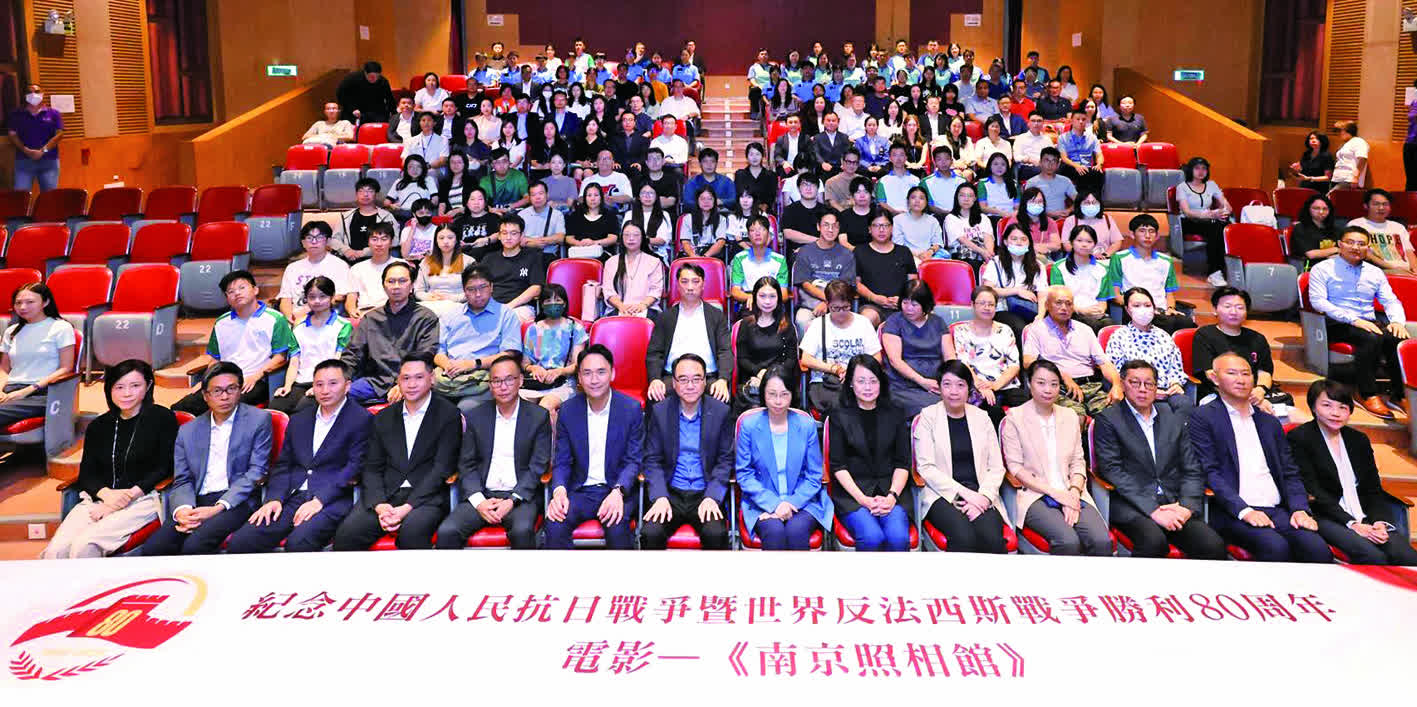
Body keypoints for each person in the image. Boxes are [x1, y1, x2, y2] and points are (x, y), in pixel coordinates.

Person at [1191, 352, 1331, 563]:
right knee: (1275, 547)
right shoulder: (1203, 417)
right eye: (1232, 373)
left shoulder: (1269, 422)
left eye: (1246, 374)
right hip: (1234, 511)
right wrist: (1245, 511)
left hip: (1278, 510)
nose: (1241, 379)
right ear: (1214, 378)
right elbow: (1210, 472)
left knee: (1317, 549)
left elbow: (1289, 471)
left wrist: (1300, 509)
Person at [228, 360, 373, 553]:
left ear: (347, 386)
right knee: (243, 541)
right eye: (319, 384)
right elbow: (283, 465)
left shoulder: (361, 419)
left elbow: (353, 468)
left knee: (299, 543)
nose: (325, 390)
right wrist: (274, 499)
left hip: (332, 498)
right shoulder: (299, 419)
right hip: (293, 495)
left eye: (333, 383)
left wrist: (320, 500)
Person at [41, 360, 178, 559]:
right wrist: (106, 495)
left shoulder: (162, 418)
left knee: (85, 545)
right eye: (119, 387)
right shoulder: (99, 425)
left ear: (148, 385)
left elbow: (164, 468)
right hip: (99, 499)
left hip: (142, 499)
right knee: (56, 551)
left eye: (135, 386)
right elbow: (87, 473)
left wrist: (122, 500)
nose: (127, 393)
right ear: (109, 389)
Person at [1092, 360, 1227, 560]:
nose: (1142, 389)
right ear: (1123, 384)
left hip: (1174, 502)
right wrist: (1152, 509)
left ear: (1156, 387)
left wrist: (1187, 506)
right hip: (1132, 503)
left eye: (1149, 384)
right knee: (1154, 542)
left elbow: (1192, 467)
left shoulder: (1172, 417)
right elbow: (1112, 470)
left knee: (1212, 545)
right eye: (1135, 383)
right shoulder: (1109, 419)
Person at [138, 363, 272, 556]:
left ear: (240, 390)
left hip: (236, 500)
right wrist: (183, 510)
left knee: (195, 546)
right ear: (205, 395)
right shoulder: (188, 430)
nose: (225, 396)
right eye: (217, 391)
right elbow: (183, 479)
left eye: (231, 389)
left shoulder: (258, 420)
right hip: (197, 500)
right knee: (155, 548)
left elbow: (256, 472)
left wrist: (216, 509)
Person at [333, 353, 462, 550]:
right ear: (398, 381)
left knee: (411, 534)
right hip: (386, 495)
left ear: (432, 379)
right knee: (346, 535)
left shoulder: (448, 414)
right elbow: (372, 467)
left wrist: (406, 508)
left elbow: (442, 468)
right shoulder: (383, 417)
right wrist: (380, 505)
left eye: (419, 377)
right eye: (406, 378)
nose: (412, 384)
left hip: (426, 497)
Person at [1288, 379, 1417, 565]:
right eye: (1327, 405)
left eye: (1343, 407)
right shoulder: (1300, 438)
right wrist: (1353, 524)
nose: (1336, 413)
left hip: (1365, 515)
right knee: (1374, 557)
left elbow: (1372, 489)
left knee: (1408, 557)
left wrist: (1379, 522)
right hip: (1326, 515)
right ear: (1313, 407)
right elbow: (1314, 490)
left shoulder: (1358, 440)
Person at [434, 353, 549, 550]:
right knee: (447, 532)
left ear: (521, 380)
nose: (503, 387)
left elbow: (537, 466)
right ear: (490, 385)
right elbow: (466, 464)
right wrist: (479, 502)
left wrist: (512, 500)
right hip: (483, 495)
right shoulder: (475, 416)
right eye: (496, 381)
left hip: (520, 497)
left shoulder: (538, 416)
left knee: (522, 531)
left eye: (509, 379)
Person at [1001, 359, 1110, 555]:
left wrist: (1073, 493)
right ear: (1029, 384)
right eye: (1041, 383)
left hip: (1072, 491)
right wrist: (1057, 494)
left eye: (1054, 384)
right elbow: (1016, 468)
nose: (1048, 390)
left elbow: (1078, 461)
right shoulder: (1015, 418)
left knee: (1101, 541)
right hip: (1036, 494)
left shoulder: (1069, 416)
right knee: (1067, 541)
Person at [545, 345, 644, 549]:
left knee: (616, 525)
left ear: (612, 373)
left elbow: (634, 460)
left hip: (616, 488)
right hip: (580, 491)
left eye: (601, 372)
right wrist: (559, 491)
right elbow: (562, 461)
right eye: (587, 373)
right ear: (579, 379)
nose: (594, 379)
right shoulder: (568, 411)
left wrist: (618, 491)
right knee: (554, 524)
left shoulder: (631, 409)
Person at [1308, 227, 1411, 419]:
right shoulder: (1322, 268)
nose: (1355, 247)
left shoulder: (1375, 272)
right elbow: (1318, 302)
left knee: (1398, 338)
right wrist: (1353, 320)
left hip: (1368, 321)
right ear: (1340, 245)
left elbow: (1391, 301)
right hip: (1336, 322)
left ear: (1368, 248)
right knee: (1370, 337)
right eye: (1350, 242)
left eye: (1361, 244)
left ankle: (1399, 395)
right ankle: (1366, 393)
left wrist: (1397, 322)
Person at [639, 354, 734, 550]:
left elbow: (725, 460)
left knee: (716, 534)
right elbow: (652, 460)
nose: (690, 386)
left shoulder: (720, 411)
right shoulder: (660, 412)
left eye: (696, 379)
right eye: (683, 379)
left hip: (705, 492)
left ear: (705, 381)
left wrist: (712, 496)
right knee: (651, 533)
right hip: (670, 492)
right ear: (674, 383)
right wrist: (659, 496)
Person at [913, 360, 1009, 553]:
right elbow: (926, 468)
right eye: (947, 384)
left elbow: (996, 467)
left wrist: (984, 497)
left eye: (960, 385)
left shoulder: (982, 417)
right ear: (939, 388)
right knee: (963, 536)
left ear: (969, 389)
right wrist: (966, 494)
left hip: (981, 492)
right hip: (942, 494)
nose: (954, 391)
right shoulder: (928, 417)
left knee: (992, 538)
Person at [735, 365, 833, 549]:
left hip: (803, 501)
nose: (778, 401)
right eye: (772, 394)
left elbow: (814, 475)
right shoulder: (749, 425)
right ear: (763, 394)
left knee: (796, 530)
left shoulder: (806, 425)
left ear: (792, 394)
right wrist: (774, 505)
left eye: (784, 394)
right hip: (761, 502)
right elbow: (744, 475)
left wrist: (790, 503)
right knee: (774, 531)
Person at [173, 271, 295, 415]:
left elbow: (280, 357)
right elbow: (215, 359)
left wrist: (255, 377)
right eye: (231, 291)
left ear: (255, 290)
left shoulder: (275, 319)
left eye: (242, 288)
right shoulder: (221, 322)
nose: (237, 293)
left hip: (255, 381)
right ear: (227, 298)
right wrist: (204, 382)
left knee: (222, 408)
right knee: (180, 409)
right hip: (222, 380)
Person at [827, 355, 913, 551]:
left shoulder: (895, 413)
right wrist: (863, 499)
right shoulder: (839, 415)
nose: (868, 387)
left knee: (898, 537)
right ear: (850, 383)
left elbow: (902, 463)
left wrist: (891, 496)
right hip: (853, 495)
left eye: (873, 381)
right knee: (872, 536)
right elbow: (838, 466)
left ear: (881, 383)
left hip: (891, 492)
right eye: (861, 381)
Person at [341, 261, 440, 406]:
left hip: (411, 381)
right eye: (391, 281)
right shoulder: (371, 318)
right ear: (384, 285)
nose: (396, 286)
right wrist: (336, 381)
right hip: (375, 381)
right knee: (334, 395)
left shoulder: (426, 317)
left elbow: (426, 354)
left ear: (412, 286)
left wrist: (404, 382)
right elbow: (352, 355)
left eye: (402, 281)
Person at [1022, 285, 1124, 417]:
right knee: (1075, 418)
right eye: (1058, 303)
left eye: (1068, 303)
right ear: (1047, 305)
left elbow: (1104, 363)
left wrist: (1117, 385)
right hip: (1058, 387)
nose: (1064, 307)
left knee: (1115, 416)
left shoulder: (1085, 330)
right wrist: (1062, 375)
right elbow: (1028, 362)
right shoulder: (1036, 330)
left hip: (1091, 385)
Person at [645, 262, 733, 405]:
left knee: (722, 398)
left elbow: (725, 351)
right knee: (655, 397)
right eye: (684, 282)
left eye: (695, 281)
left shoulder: (716, 316)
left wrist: (723, 380)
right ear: (677, 285)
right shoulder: (665, 317)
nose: (690, 287)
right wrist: (655, 379)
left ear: (703, 284)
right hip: (673, 378)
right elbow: (654, 353)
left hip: (708, 377)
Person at [943, 286, 1029, 426]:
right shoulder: (961, 331)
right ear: (972, 305)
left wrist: (995, 386)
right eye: (982, 303)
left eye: (991, 304)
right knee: (993, 412)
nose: (987, 308)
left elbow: (1014, 365)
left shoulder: (1005, 330)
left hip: (1005, 384)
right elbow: (963, 364)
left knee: (1026, 408)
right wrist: (980, 386)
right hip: (978, 387)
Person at [1104, 288, 1194, 418]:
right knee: (1163, 412)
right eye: (1136, 306)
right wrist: (1147, 389)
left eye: (1147, 305)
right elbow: (1116, 372)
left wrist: (1175, 384)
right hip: (1136, 392)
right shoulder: (1119, 337)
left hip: (1166, 392)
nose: (1143, 310)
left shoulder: (1164, 336)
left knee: (1184, 404)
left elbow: (1175, 367)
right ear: (1128, 310)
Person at [1099, 214, 1194, 332]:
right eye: (1142, 231)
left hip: (1161, 311)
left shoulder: (1166, 261)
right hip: (1135, 311)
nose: (1147, 235)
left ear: (1157, 236)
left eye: (1151, 231)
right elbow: (1115, 295)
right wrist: (1142, 307)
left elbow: (1169, 294)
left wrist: (1170, 308)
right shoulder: (1119, 258)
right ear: (1132, 234)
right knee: (1165, 323)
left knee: (1186, 322)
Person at [271, 277, 353, 414]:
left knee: (301, 412)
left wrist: (320, 386)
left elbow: (338, 360)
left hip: (327, 384)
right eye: (312, 297)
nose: (317, 301)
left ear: (332, 297)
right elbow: (294, 361)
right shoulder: (298, 327)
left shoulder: (343, 326)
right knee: (275, 408)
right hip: (300, 382)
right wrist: (287, 386)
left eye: (322, 296)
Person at [800, 280, 882, 415]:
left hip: (859, 380)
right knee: (842, 405)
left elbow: (877, 357)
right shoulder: (818, 324)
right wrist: (834, 368)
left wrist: (854, 371)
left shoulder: (863, 323)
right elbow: (806, 359)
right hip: (826, 382)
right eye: (835, 308)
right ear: (827, 304)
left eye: (845, 307)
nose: (841, 312)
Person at [0, 283, 75, 428]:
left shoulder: (61, 327)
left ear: (45, 302)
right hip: (11, 388)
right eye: (18, 303)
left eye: (30, 302)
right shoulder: (11, 331)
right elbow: (3, 369)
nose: (23, 307)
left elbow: (66, 368)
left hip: (43, 392)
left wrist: (27, 391)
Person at [1192, 287, 1276, 408]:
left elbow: (1264, 372)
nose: (1234, 312)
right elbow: (1209, 373)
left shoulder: (1257, 339)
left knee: (1287, 409)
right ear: (1215, 310)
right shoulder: (1204, 335)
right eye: (1227, 306)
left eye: (1240, 307)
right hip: (1218, 393)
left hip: (1255, 394)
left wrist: (1260, 390)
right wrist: (1242, 395)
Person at [517, 284, 586, 419]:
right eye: (548, 300)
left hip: (563, 382)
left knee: (544, 408)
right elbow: (525, 363)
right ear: (542, 304)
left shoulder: (575, 328)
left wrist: (559, 371)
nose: (553, 304)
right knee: (519, 407)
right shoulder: (533, 329)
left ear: (564, 304)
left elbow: (578, 365)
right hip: (537, 382)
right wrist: (534, 368)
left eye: (557, 300)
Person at [881, 280, 948, 418]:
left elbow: (950, 358)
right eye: (905, 302)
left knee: (960, 402)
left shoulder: (938, 322)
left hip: (935, 384)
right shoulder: (894, 321)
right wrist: (923, 382)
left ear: (925, 304)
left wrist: (947, 383)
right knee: (938, 409)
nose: (908, 308)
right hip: (903, 387)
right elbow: (895, 361)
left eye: (914, 304)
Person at [791, 211, 856, 332]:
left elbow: (846, 286)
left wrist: (829, 304)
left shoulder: (847, 254)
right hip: (810, 306)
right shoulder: (805, 252)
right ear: (818, 226)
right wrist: (827, 301)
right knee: (802, 320)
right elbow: (805, 284)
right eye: (826, 225)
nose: (830, 230)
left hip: (840, 306)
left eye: (835, 226)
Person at [981, 223, 1047, 340]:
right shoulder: (996, 262)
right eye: (1014, 239)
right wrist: (1017, 291)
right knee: (1021, 328)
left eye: (1023, 239)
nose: (1019, 243)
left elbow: (1042, 295)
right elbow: (988, 290)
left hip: (1030, 309)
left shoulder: (1038, 265)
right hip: (1003, 309)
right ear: (1005, 241)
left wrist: (1040, 316)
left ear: (1029, 243)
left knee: (1046, 327)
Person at [1176, 156, 1234, 286]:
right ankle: (1214, 271)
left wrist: (1223, 212)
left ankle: (1222, 269)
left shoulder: (1211, 185)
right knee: (1215, 227)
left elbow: (1228, 206)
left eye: (1204, 168)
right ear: (1191, 170)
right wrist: (1209, 214)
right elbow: (1187, 212)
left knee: (1225, 226)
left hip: (1209, 220)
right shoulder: (1182, 187)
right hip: (1189, 221)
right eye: (1197, 168)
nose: (1201, 171)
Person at [855, 211, 919, 326]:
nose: (881, 230)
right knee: (867, 319)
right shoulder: (859, 251)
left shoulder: (904, 252)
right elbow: (856, 284)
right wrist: (874, 298)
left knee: (925, 317)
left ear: (892, 228)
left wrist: (902, 299)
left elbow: (913, 283)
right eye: (876, 225)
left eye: (885, 225)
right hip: (872, 305)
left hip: (902, 305)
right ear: (869, 229)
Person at [278, 222, 351, 323]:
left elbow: (338, 297)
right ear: (303, 242)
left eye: (319, 237)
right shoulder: (292, 268)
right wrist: (289, 317)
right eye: (309, 238)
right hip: (295, 318)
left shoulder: (340, 266)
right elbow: (285, 299)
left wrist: (304, 312)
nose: (314, 241)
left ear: (328, 241)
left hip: (324, 318)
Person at [480, 214, 545, 323]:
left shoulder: (533, 257)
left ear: (522, 236)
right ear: (499, 236)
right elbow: (479, 285)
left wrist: (509, 306)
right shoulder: (489, 258)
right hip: (492, 306)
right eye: (504, 233)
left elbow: (536, 288)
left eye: (513, 233)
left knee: (507, 320)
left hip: (520, 307)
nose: (508, 237)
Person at [1048, 225, 1112, 331]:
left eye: (1089, 241)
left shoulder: (1102, 269)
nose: (1084, 245)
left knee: (1110, 327)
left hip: (1095, 312)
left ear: (1095, 244)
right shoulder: (1059, 267)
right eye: (1079, 240)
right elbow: (1057, 299)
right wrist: (1082, 310)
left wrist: (1100, 309)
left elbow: (1102, 299)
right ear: (1071, 242)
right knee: (1092, 326)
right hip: (1069, 312)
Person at [6, 82, 61, 192]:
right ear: (25, 96)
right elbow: (12, 135)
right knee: (21, 196)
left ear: (43, 94)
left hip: (48, 161)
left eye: (36, 92)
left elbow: (59, 134)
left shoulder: (54, 113)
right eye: (29, 92)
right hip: (24, 161)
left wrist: (43, 151)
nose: (33, 94)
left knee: (49, 197)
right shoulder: (16, 114)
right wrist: (26, 150)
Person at [602, 221, 664, 317]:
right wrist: (621, 306)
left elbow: (656, 290)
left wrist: (642, 305)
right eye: (627, 235)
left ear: (642, 237)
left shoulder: (654, 261)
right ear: (621, 237)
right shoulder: (611, 262)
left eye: (636, 235)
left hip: (646, 308)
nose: (631, 238)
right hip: (618, 308)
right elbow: (608, 291)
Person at [345, 223, 405, 322]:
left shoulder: (402, 265)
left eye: (384, 239)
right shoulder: (357, 268)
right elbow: (351, 296)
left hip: (394, 313)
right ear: (368, 242)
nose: (379, 244)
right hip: (365, 314)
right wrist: (352, 310)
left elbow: (407, 295)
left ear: (391, 242)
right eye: (374, 239)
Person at [1350, 189, 1417, 275]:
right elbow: (1366, 254)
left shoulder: (1399, 227)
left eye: (1385, 204)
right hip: (1378, 270)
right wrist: (1394, 268)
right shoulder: (1356, 225)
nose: (1381, 208)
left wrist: (1414, 269)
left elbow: (1409, 252)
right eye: (1376, 204)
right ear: (1366, 206)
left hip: (1405, 271)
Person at [332, 178, 398, 262]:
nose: (365, 194)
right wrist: (346, 251)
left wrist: (365, 252)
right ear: (356, 195)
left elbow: (394, 241)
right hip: (349, 259)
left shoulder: (386, 216)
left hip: (377, 259)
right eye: (361, 191)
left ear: (376, 194)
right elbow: (334, 239)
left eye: (370, 191)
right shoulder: (345, 216)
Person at [728, 215, 788, 306]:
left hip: (772, 302)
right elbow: (735, 291)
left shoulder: (780, 260)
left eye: (762, 229)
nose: (757, 233)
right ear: (748, 235)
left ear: (768, 234)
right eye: (753, 230)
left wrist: (764, 299)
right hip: (749, 301)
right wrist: (754, 298)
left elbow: (784, 294)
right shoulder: (739, 258)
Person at [414, 225, 469, 319]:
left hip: (458, 306)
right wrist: (429, 297)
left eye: (450, 238)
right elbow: (418, 291)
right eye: (441, 238)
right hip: (431, 305)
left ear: (456, 240)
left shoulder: (468, 261)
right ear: (436, 240)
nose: (445, 241)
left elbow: (472, 291)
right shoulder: (426, 262)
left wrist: (451, 298)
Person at [1058, 191, 1123, 258]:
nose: (1091, 205)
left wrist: (1105, 255)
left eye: (1094, 202)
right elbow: (1067, 245)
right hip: (1078, 258)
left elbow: (1117, 242)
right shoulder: (1070, 220)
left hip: (1103, 259)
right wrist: (1088, 256)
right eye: (1087, 203)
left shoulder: (1107, 219)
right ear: (1079, 204)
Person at [1024, 148, 1076, 221]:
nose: (1050, 165)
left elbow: (1079, 200)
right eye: (1046, 160)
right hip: (1039, 219)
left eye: (1054, 161)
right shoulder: (1032, 182)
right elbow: (1026, 205)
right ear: (1040, 162)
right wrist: (1049, 214)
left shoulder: (1065, 181)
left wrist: (1069, 210)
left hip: (1061, 219)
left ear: (1058, 164)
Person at [1289, 192, 1338, 270]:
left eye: (1325, 209)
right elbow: (1311, 254)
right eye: (1316, 208)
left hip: (1333, 266)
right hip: (1310, 268)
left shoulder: (1336, 229)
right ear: (1308, 209)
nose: (1321, 212)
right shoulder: (1300, 228)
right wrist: (1336, 249)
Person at [517, 181, 567, 258]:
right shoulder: (522, 214)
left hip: (548, 255)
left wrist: (530, 240)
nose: (537, 197)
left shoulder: (557, 214)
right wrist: (535, 243)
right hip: (525, 255)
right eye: (533, 195)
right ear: (529, 198)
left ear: (547, 195)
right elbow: (518, 239)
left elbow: (560, 238)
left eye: (541, 193)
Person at [678, 186, 727, 259]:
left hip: (711, 255)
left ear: (715, 201)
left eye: (710, 199)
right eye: (703, 199)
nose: (706, 202)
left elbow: (720, 242)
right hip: (692, 255)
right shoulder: (688, 218)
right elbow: (685, 242)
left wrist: (704, 257)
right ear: (697, 201)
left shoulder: (721, 219)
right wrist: (693, 256)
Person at [384, 156, 438, 221]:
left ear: (423, 168)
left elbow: (435, 200)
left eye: (418, 167)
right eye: (411, 167)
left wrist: (425, 207)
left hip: (422, 213)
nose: (415, 170)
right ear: (406, 168)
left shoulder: (428, 180)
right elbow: (386, 202)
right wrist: (391, 206)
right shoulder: (399, 182)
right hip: (403, 214)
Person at [480, 148, 530, 214]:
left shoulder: (519, 175)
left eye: (504, 161)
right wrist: (491, 210)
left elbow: (527, 198)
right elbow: (481, 202)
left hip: (515, 213)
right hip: (494, 213)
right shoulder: (485, 181)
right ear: (492, 165)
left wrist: (510, 207)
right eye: (497, 162)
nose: (501, 165)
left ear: (509, 162)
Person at [976, 152, 1019, 221]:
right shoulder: (983, 183)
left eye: (1003, 164)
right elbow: (983, 207)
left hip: (1011, 218)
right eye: (995, 164)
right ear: (990, 166)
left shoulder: (1014, 184)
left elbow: (1017, 207)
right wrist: (1000, 212)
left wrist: (1012, 216)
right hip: (992, 218)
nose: (999, 167)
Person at [1012, 112, 1051, 181]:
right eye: (1033, 121)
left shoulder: (1047, 139)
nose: (1036, 124)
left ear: (1043, 123)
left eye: (1039, 121)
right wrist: (1030, 160)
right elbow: (1016, 157)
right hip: (1028, 167)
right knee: (1041, 171)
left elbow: (1052, 155)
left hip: (1045, 165)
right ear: (1028, 123)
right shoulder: (1020, 138)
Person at [1330, 121, 1368, 191]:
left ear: (1347, 131)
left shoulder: (1359, 141)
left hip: (1348, 180)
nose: (1338, 134)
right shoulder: (1344, 144)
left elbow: (1362, 159)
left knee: (1329, 196)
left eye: (1339, 131)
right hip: (1336, 179)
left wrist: (1355, 177)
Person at [772, 115, 813, 179]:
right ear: (786, 125)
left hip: (802, 169)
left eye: (795, 122)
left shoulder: (806, 138)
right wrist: (784, 163)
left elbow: (811, 155)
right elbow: (777, 155)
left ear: (799, 124)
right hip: (787, 168)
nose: (793, 124)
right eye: (790, 122)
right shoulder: (781, 139)